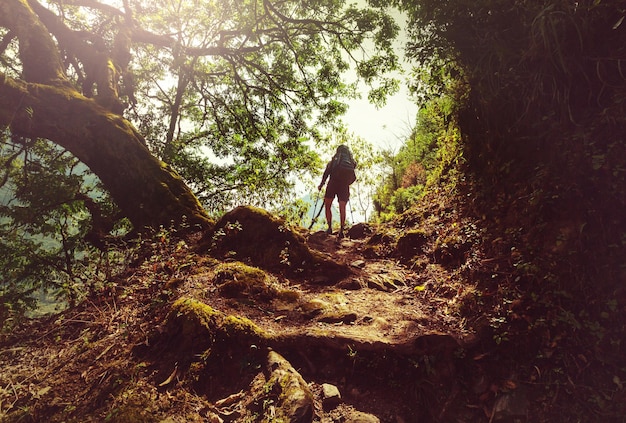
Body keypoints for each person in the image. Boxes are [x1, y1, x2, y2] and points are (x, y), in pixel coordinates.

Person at [317, 145, 357, 238]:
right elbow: (353, 177)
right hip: (344, 185)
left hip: (333, 183)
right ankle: (341, 231)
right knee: (342, 207)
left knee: (328, 205)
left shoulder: (334, 161)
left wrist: (321, 185)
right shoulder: (351, 162)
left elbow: (326, 173)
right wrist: (347, 183)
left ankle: (329, 228)